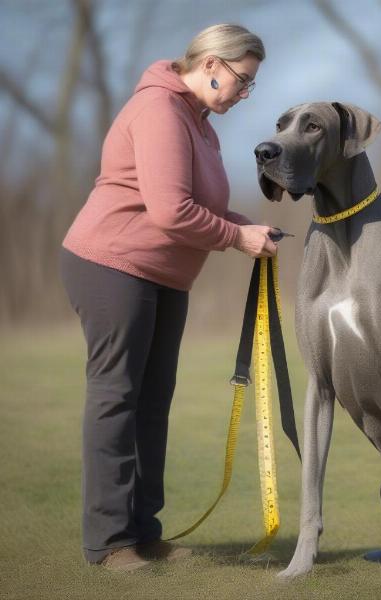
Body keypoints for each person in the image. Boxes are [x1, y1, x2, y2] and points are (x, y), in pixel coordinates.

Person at [59, 24, 277, 572]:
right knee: (116, 398)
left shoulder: (199, 123)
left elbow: (192, 201)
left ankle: (143, 534)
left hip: (163, 276)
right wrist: (234, 239)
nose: (243, 94)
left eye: (250, 85)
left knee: (153, 403)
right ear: (212, 65)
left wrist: (245, 226)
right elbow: (169, 211)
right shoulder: (159, 109)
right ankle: (108, 543)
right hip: (112, 265)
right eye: (242, 82)